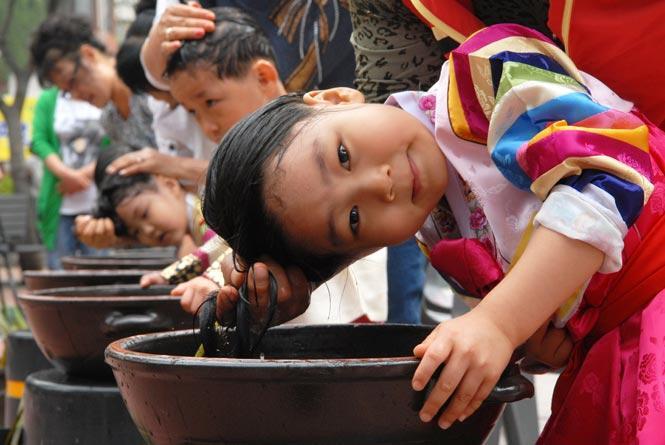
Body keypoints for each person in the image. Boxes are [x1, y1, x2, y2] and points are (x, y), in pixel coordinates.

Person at [203, 24, 665, 444]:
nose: (378, 183)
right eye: (354, 221)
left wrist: (500, 323)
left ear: (335, 98)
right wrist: (535, 339)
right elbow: (548, 323)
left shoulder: (482, 76)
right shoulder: (437, 228)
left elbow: (610, 176)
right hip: (616, 359)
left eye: (342, 155)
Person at [31, 87, 108, 269]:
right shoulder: (49, 100)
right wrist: (68, 176)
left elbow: (115, 141)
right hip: (59, 206)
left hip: (97, 204)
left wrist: (83, 177)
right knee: (59, 273)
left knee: (100, 273)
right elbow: (39, 141)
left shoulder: (102, 93)